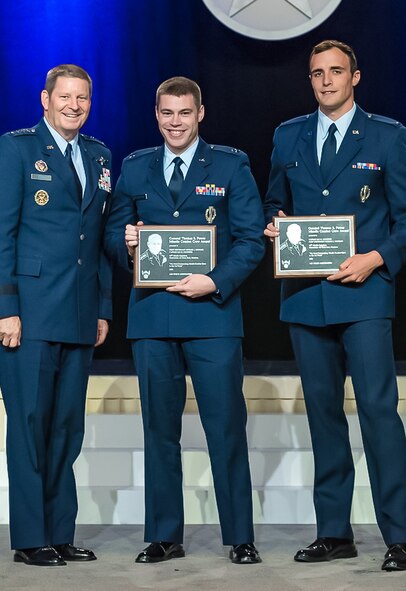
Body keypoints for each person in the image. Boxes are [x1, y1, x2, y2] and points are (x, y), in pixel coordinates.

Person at [264, 40, 406, 572]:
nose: (326, 81)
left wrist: (376, 258)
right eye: (317, 74)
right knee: (324, 418)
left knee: (379, 414)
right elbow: (273, 202)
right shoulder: (287, 135)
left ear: (356, 76)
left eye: (336, 72)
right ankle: (334, 532)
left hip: (365, 296)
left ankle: (400, 536)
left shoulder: (387, 134)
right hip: (306, 299)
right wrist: (273, 226)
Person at [104, 76, 264, 565]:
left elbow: (251, 240)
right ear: (157, 115)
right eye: (167, 114)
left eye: (184, 113)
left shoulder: (232, 165)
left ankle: (240, 536)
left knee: (225, 428)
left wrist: (214, 282)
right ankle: (164, 535)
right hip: (152, 318)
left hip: (212, 315)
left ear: (200, 114)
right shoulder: (134, 167)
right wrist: (127, 243)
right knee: (159, 431)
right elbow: (111, 236)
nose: (176, 122)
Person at [0, 64, 112, 566]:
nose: (74, 106)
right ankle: (31, 538)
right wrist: (3, 310)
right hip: (27, 316)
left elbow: (95, 240)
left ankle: (60, 531)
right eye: (65, 97)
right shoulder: (15, 149)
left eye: (83, 98)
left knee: (66, 430)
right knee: (30, 425)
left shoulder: (99, 155)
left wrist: (102, 308)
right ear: (45, 99)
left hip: (78, 313)